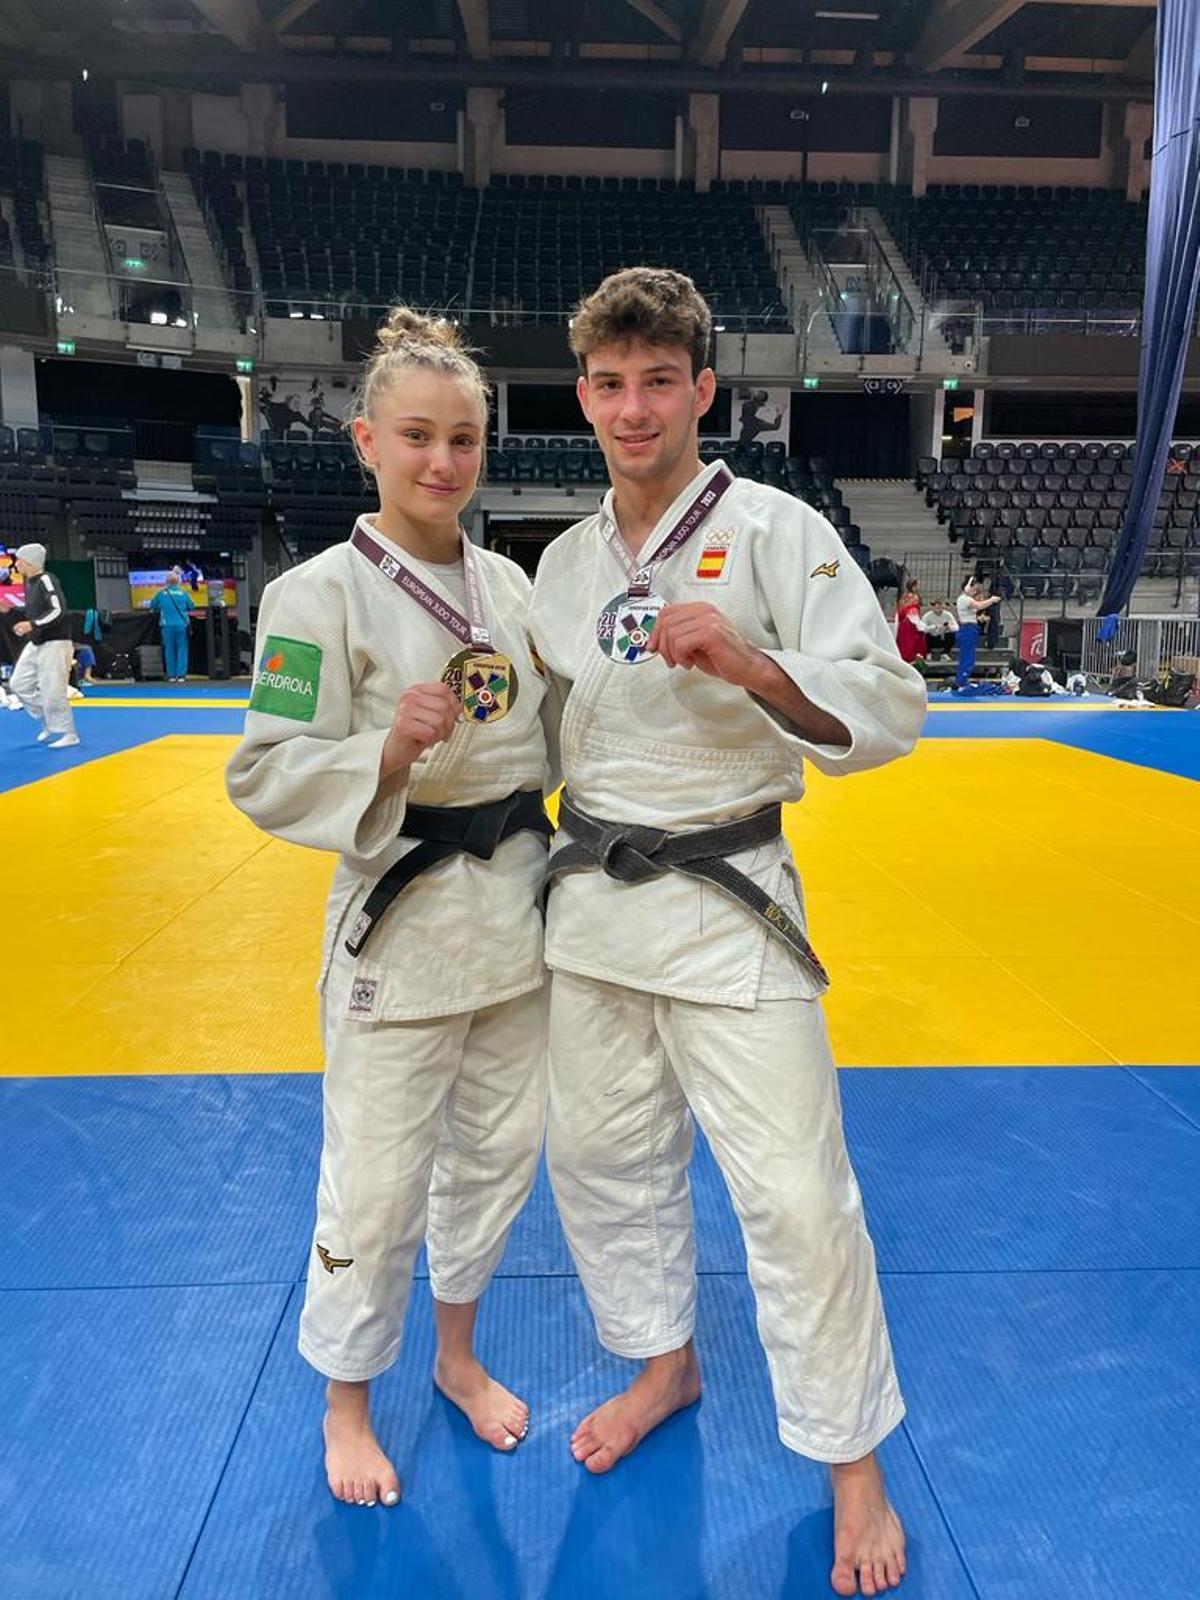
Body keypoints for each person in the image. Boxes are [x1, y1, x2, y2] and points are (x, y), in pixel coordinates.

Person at [529, 267, 925, 1597]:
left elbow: (886, 703)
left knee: (800, 1197)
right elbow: (534, 730)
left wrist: (756, 664)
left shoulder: (775, 531)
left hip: (730, 901)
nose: (631, 409)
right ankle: (664, 1360)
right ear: (582, 395)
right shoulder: (565, 562)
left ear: (704, 390)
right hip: (590, 902)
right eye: (608, 384)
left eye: (658, 382)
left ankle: (852, 1459)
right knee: (596, 1159)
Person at [226, 308, 554, 1511]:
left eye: (462, 439)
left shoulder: (512, 588)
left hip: (515, 921)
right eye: (416, 436)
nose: (441, 462)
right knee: (373, 1179)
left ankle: (457, 1354)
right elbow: (261, 769)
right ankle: (347, 1401)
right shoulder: (313, 598)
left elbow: (560, 739)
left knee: (497, 1161)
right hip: (399, 929)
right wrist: (381, 750)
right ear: (366, 439)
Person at [0, 542, 79, 748]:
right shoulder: (31, 583)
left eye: (20, 562)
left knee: (54, 688)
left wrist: (31, 624)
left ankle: (69, 733)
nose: (17, 566)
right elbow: (33, 611)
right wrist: (10, 610)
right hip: (38, 641)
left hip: (56, 642)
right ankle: (47, 718)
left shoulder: (46, 579)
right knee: (18, 683)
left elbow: (58, 610)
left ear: (30, 562)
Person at [148, 567, 193, 682]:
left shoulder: (162, 594)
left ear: (167, 582)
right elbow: (191, 606)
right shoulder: (183, 594)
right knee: (182, 649)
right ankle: (181, 675)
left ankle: (171, 675)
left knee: (169, 650)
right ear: (178, 581)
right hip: (181, 625)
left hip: (167, 625)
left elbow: (152, 606)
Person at [953, 577, 1000, 690]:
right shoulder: (964, 599)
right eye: (973, 589)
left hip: (970, 629)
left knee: (968, 657)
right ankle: (961, 682)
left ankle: (962, 680)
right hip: (968, 630)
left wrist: (979, 618)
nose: (975, 592)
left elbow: (971, 613)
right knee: (967, 658)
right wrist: (991, 600)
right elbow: (979, 606)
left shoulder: (966, 599)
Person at [894, 578, 926, 664]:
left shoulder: (904, 596)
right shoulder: (913, 597)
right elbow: (913, 612)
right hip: (911, 625)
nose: (917, 587)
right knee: (912, 646)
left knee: (904, 645)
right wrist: (920, 625)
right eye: (915, 586)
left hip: (905, 624)